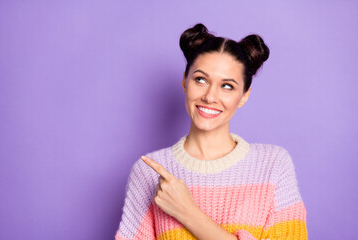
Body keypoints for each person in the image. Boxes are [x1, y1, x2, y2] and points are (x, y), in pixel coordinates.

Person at [114, 23, 307, 240]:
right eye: (200, 80)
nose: (210, 96)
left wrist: (188, 212)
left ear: (244, 95)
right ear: (185, 82)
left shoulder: (273, 165)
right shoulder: (149, 172)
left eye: (227, 86)